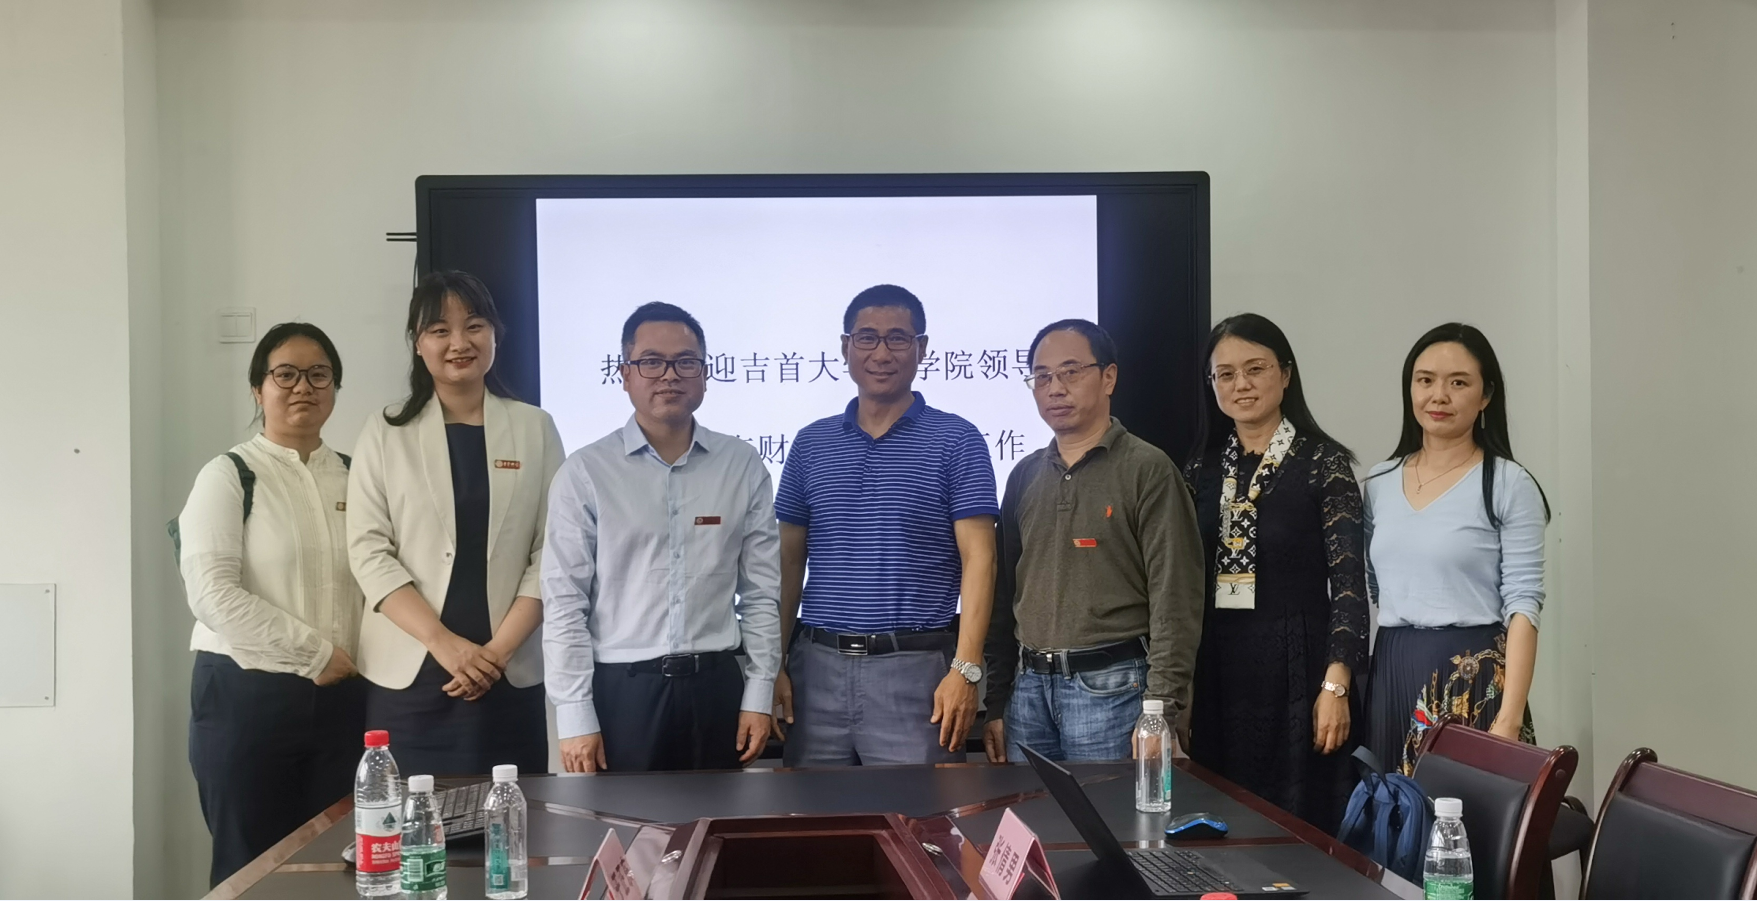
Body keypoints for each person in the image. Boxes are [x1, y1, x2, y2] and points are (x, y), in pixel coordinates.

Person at [542, 303, 781, 772]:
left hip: (716, 687)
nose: (669, 375)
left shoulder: (741, 465)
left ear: (705, 374)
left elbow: (760, 593)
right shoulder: (586, 472)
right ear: (625, 374)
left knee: (720, 817)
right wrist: (574, 714)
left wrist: (759, 693)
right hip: (623, 692)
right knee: (621, 820)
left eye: (685, 362)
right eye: (651, 362)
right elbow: (565, 601)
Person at [770, 284, 998, 766]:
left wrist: (966, 669)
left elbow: (981, 559)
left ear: (922, 348)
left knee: (923, 814)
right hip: (816, 672)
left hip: (916, 674)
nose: (881, 353)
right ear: (845, 347)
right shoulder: (811, 444)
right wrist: (774, 665)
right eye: (866, 338)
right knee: (812, 812)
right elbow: (788, 563)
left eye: (897, 338)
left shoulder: (957, 440)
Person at [348, 271, 563, 777]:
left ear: (495, 335)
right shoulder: (386, 431)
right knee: (408, 819)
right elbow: (368, 550)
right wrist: (443, 644)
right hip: (411, 673)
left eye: (474, 325)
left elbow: (554, 551)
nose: (459, 343)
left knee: (512, 815)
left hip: (506, 671)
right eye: (440, 330)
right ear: (417, 343)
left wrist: (495, 655)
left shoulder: (534, 427)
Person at [178, 322, 365, 886]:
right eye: (285, 374)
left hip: (344, 703)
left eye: (319, 374)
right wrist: (315, 654)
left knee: (340, 866)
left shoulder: (358, 476)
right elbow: (212, 592)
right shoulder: (229, 475)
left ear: (335, 388)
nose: (302, 386)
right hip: (245, 699)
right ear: (258, 389)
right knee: (252, 870)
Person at [981, 319, 1204, 763]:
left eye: (1070, 371)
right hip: (1028, 692)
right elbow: (1004, 595)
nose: (1054, 388)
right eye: (1041, 376)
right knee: (1031, 810)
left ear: (1109, 377)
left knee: (1109, 810)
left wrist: (1161, 709)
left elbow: (1175, 598)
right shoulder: (1024, 475)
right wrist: (998, 699)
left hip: (1113, 689)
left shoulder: (1147, 469)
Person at [1183, 313, 1368, 833]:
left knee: (1299, 826)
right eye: (1225, 374)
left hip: (1300, 671)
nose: (1240, 384)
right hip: (1219, 671)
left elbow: (1349, 587)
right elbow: (1183, 584)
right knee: (1221, 823)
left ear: (1285, 374)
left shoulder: (1323, 464)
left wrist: (1336, 685)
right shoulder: (1199, 470)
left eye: (1255, 368)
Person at [1363, 323, 1549, 775]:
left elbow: (1524, 607)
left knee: (1463, 813)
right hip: (1393, 668)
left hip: (1472, 675)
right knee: (1391, 810)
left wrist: (1508, 720)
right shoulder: (1379, 481)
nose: (1439, 396)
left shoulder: (1508, 482)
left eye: (1458, 383)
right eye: (1425, 380)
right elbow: (1376, 586)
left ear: (1486, 396)